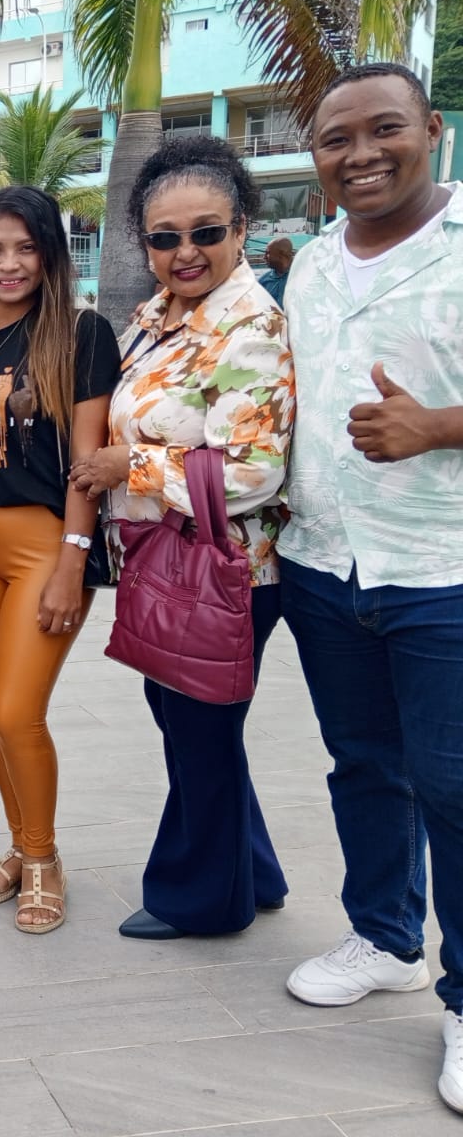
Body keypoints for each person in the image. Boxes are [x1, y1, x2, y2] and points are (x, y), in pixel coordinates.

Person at [276, 62, 463, 1115]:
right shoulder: (309, 264)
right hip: (324, 560)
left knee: (453, 786)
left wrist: (437, 426)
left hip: (442, 566)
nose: (360, 154)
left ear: (431, 129)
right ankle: (387, 938)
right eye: (334, 139)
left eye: (384, 129)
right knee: (363, 764)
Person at [69, 135, 295, 941]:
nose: (186, 251)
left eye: (207, 232)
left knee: (199, 731)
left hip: (225, 568)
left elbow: (255, 469)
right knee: (192, 723)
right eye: (166, 237)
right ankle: (255, 872)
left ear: (242, 229)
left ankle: (202, 899)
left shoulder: (249, 326)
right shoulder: (155, 316)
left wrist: (129, 465)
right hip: (162, 559)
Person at [0, 186, 119, 934]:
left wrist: (72, 564)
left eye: (25, 248)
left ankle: (44, 859)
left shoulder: (81, 334)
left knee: (19, 711)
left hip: (44, 546)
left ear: (50, 255)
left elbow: (86, 464)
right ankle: (21, 845)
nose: (8, 264)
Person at [257, 236, 295, 307]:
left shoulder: (301, 276)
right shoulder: (263, 281)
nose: (264, 257)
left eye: (268, 253)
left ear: (282, 255)